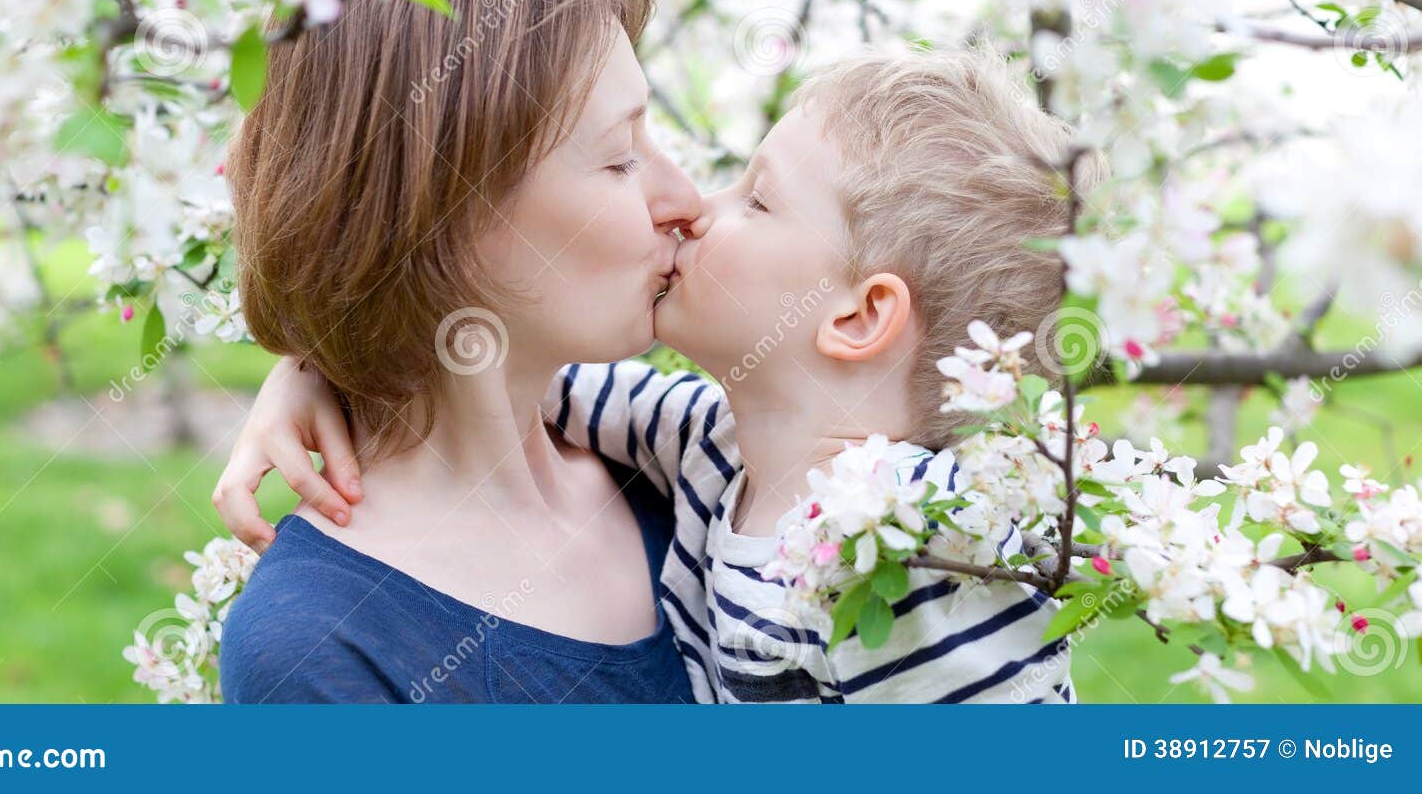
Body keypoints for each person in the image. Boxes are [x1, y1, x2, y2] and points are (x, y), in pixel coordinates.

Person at [221, 46, 1102, 702]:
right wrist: (324, 361)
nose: (693, 207)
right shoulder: (705, 449)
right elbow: (498, 366)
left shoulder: (916, 555)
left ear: (860, 316)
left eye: (755, 200)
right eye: (618, 156)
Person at [215, 0, 702, 703]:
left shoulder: (680, 468)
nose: (684, 198)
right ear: (442, 212)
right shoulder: (324, 647)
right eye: (620, 160)